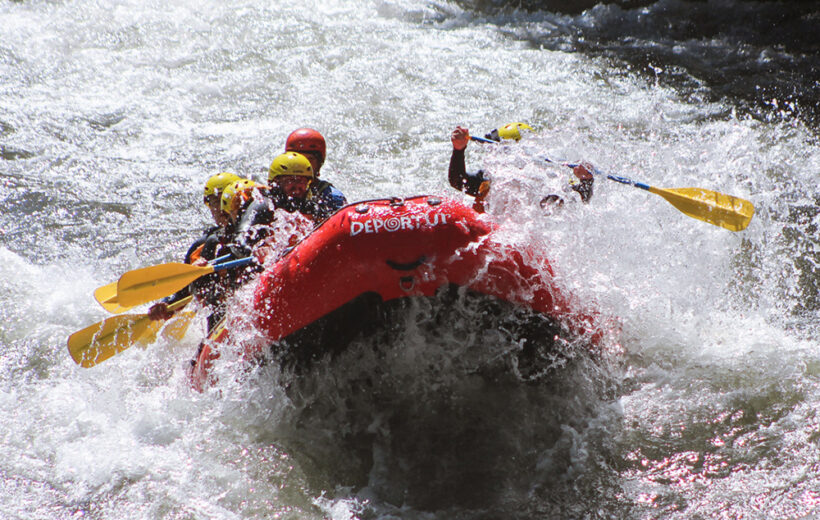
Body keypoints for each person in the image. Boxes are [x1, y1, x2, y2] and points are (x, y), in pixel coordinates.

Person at [147, 172, 242, 323]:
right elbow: (182, 292)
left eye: (226, 199)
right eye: (215, 202)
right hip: (221, 316)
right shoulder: (204, 245)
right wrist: (166, 305)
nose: (221, 207)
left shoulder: (256, 228)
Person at [448, 125, 594, 213]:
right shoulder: (489, 178)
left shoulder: (545, 183)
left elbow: (579, 199)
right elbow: (458, 181)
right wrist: (458, 150)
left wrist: (586, 179)